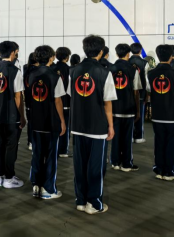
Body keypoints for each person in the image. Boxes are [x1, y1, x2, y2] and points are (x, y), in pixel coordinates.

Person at [68, 35, 117, 214]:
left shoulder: (73, 71)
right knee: (96, 167)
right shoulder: (104, 73)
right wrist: (110, 126)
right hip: (97, 126)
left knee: (79, 165)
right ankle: (94, 203)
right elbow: (107, 103)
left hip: (77, 125)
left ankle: (80, 200)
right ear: (102, 51)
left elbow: (72, 94)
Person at [146, 44, 174, 181]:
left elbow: (149, 92)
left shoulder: (150, 73)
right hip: (173, 114)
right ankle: (169, 172)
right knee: (172, 144)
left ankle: (159, 170)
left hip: (157, 114)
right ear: (172, 56)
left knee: (159, 143)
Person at [28, 45, 66, 199]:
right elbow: (58, 101)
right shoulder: (55, 76)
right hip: (50, 121)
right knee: (50, 156)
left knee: (37, 154)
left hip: (35, 120)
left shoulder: (30, 74)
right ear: (51, 57)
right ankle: (48, 189)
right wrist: (62, 120)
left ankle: (36, 185)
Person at [0, 41, 25, 189]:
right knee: (11, 146)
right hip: (12, 116)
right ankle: (9, 177)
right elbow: (18, 96)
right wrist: (22, 116)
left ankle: (1, 176)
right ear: (12, 53)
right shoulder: (15, 71)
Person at [109, 44, 141, 172]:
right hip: (128, 108)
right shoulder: (133, 70)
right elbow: (136, 92)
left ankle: (115, 162)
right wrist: (137, 110)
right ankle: (127, 164)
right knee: (127, 138)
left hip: (113, 108)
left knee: (115, 137)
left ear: (117, 54)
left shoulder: (110, 69)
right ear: (128, 54)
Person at [51, 47, 72, 158]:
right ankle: (63, 150)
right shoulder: (69, 69)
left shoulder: (52, 68)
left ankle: (55, 147)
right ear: (67, 57)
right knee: (65, 126)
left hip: (53, 102)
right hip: (66, 102)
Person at [129, 43, 149, 144]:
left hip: (128, 94)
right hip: (140, 93)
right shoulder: (145, 63)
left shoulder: (126, 61)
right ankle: (139, 136)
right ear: (140, 51)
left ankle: (130, 136)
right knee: (139, 114)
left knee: (129, 115)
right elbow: (146, 80)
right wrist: (146, 94)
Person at [23, 53, 39, 151]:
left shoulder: (26, 68)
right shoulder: (37, 70)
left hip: (28, 99)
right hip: (36, 99)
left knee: (30, 122)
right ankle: (34, 141)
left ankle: (30, 141)